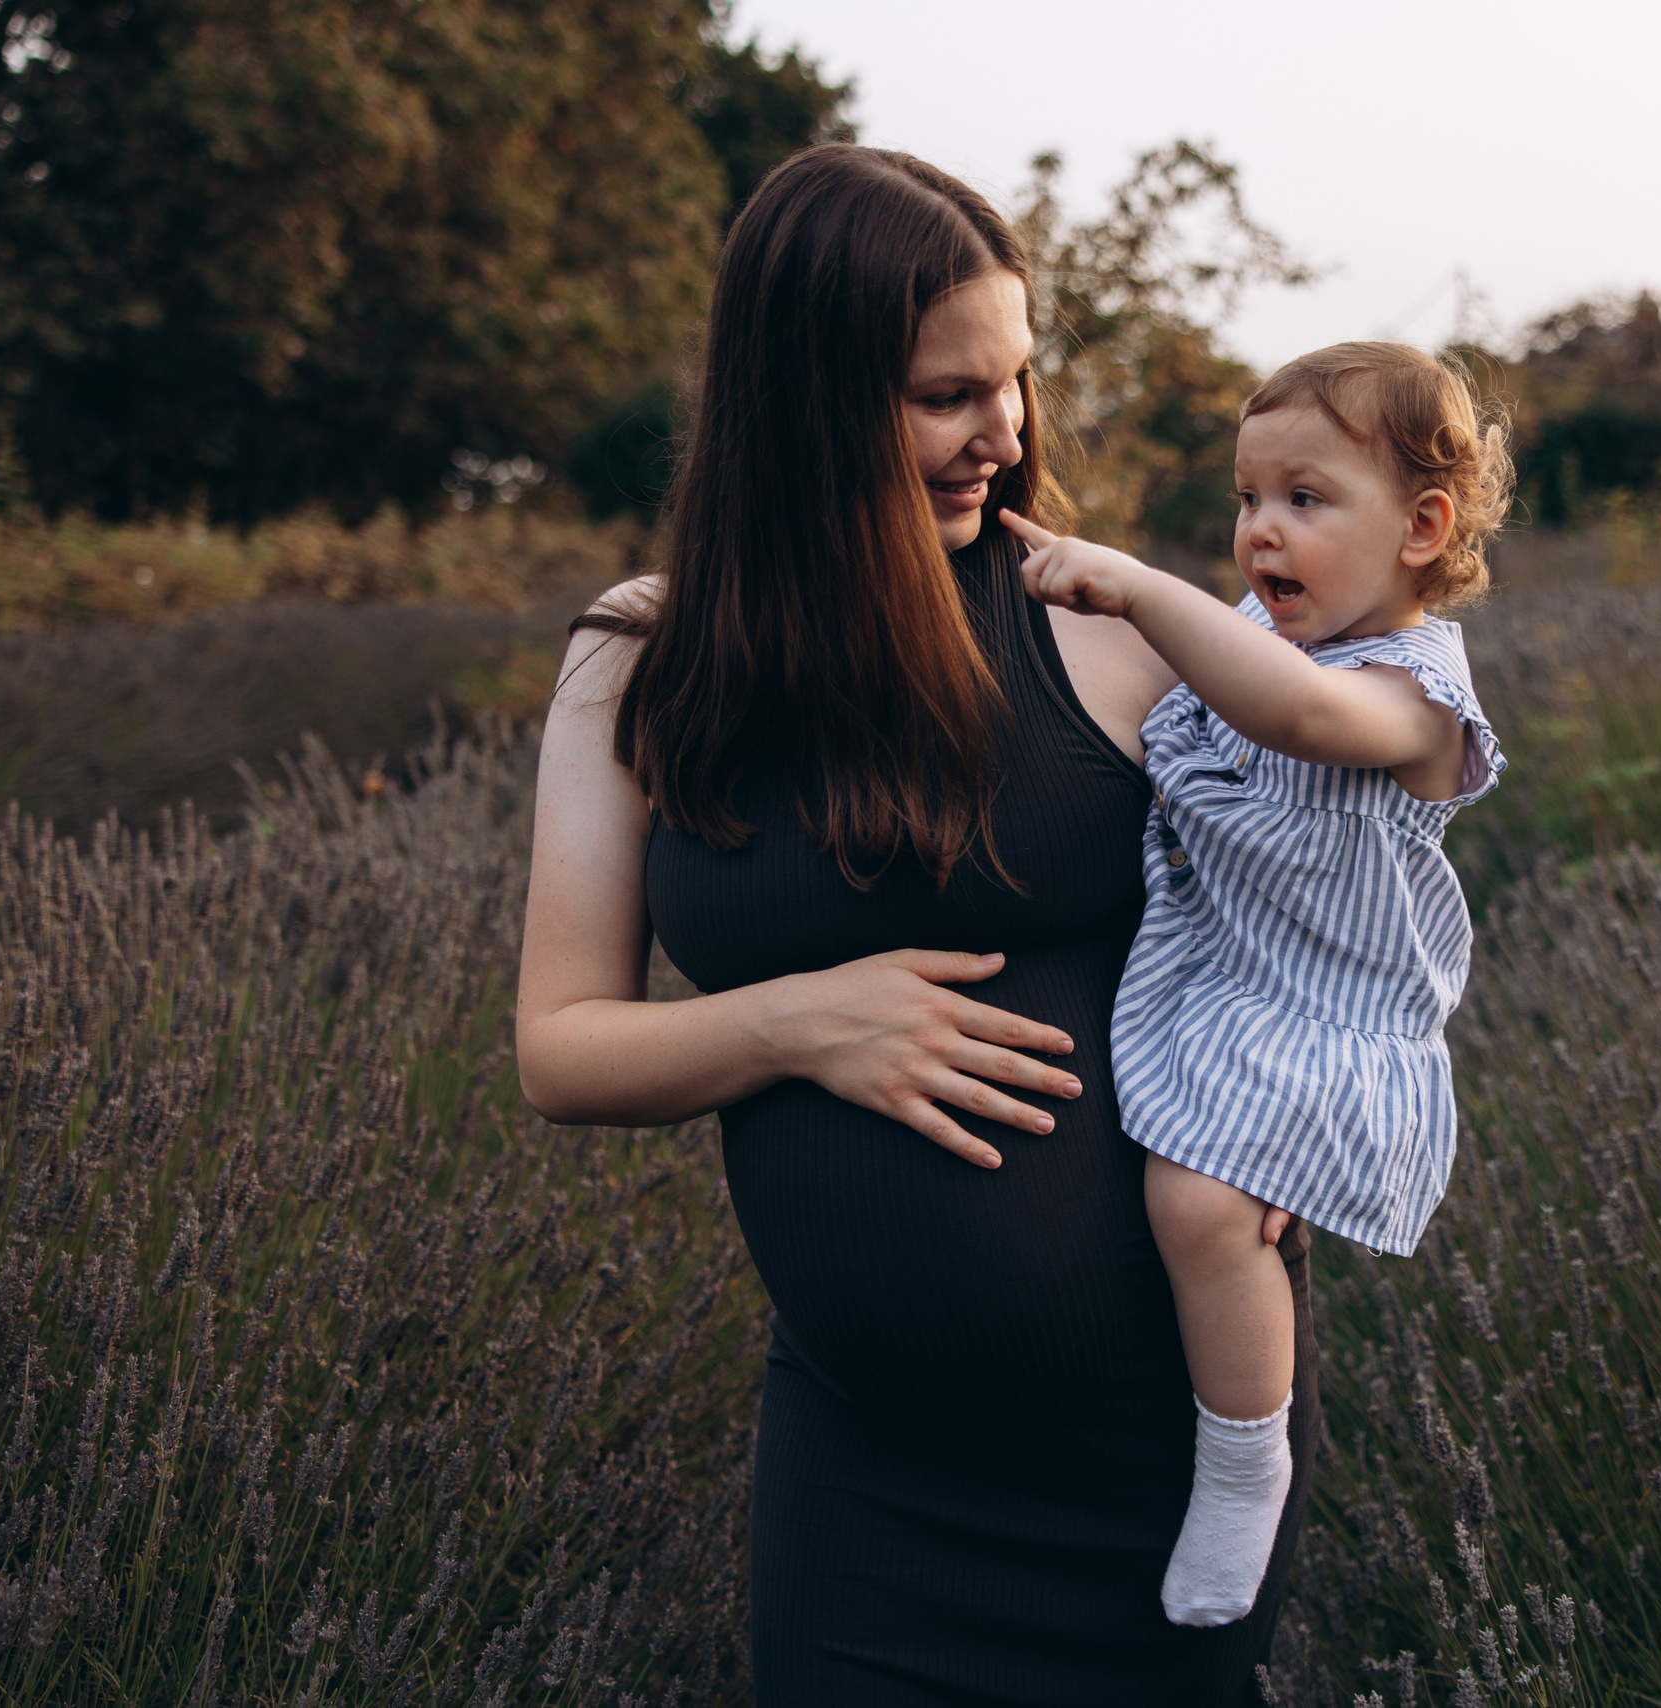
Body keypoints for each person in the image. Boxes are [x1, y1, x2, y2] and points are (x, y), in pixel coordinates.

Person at [512, 144, 1317, 1705]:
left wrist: (1287, 1107)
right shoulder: (643, 659)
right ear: (804, 402)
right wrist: (800, 1022)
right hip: (863, 1469)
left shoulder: (1112, 628)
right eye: (947, 395)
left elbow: (1342, 895)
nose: (1003, 435)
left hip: (1153, 1444)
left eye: (1014, 380)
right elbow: (560, 1050)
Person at [998, 341, 1509, 1626]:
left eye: (1304, 499)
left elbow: (1295, 719)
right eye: (1246, 498)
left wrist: (1137, 588)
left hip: (1323, 1017)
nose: (1259, 530)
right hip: (1215, 980)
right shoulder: (1256, 636)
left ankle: (1243, 1457)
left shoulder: (1414, 695)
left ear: (1420, 528)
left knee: (1200, 1204)